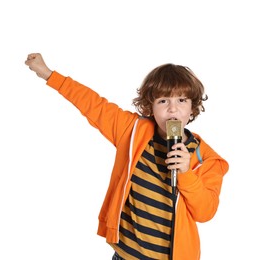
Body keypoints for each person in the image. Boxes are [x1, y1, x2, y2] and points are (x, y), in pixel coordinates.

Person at [25, 53, 229, 260]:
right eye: (163, 100)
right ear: (150, 107)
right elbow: (93, 104)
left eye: (182, 100)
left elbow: (205, 212)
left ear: (192, 108)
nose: (172, 108)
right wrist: (48, 74)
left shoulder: (208, 160)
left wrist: (185, 173)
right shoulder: (131, 131)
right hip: (124, 255)